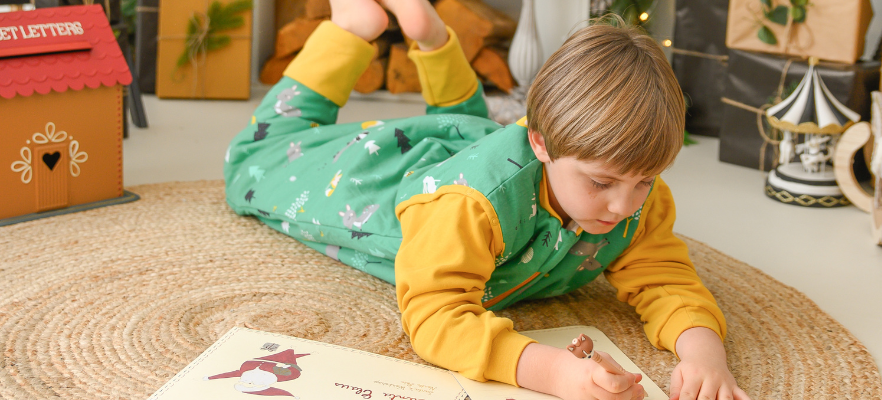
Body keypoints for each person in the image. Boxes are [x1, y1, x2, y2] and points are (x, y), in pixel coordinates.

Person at [223, 1, 749, 399]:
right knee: (254, 162)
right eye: (602, 183)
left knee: (471, 128)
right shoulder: (468, 206)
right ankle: (352, 28)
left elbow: (666, 279)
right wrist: (556, 372)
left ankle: (433, 39)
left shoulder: (634, 193)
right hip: (387, 178)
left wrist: (706, 355)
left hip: (480, 147)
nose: (623, 206)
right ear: (541, 145)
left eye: (645, 181)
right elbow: (435, 316)